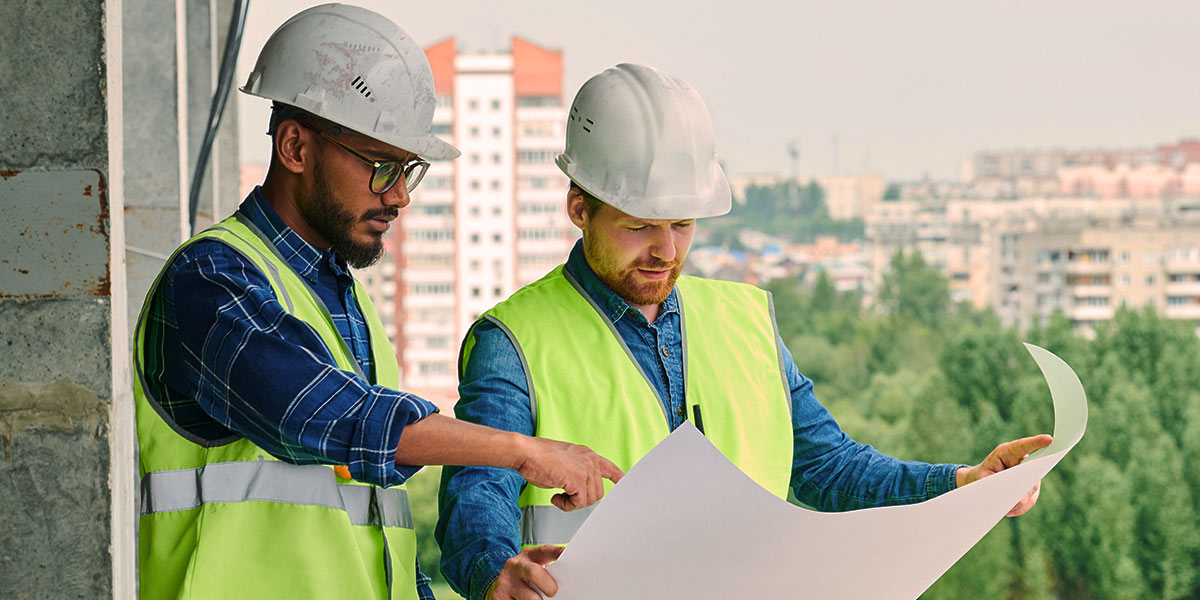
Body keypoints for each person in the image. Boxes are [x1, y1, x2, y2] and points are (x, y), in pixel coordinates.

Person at [436, 63, 1052, 600]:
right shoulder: (513, 340)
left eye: (682, 223)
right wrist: (495, 572)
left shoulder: (747, 321)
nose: (664, 250)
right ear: (580, 209)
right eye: (638, 226)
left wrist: (963, 485)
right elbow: (476, 497)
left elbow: (831, 470)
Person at [133, 5, 620, 599]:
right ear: (294, 147)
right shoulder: (210, 281)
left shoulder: (343, 301)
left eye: (408, 171)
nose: (398, 197)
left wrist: (497, 583)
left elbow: (377, 538)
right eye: (381, 166)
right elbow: (322, 418)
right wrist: (520, 451)